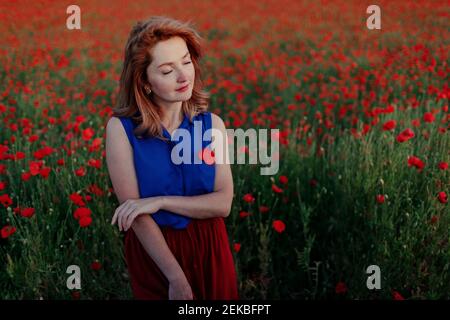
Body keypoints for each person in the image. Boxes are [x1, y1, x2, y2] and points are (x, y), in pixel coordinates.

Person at [105, 16, 239, 300]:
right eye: (167, 70)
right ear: (144, 82)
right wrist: (176, 278)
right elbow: (135, 215)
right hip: (156, 255)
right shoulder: (121, 129)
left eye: (186, 62)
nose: (183, 76)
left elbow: (223, 202)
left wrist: (160, 201)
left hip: (211, 249)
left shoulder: (212, 125)